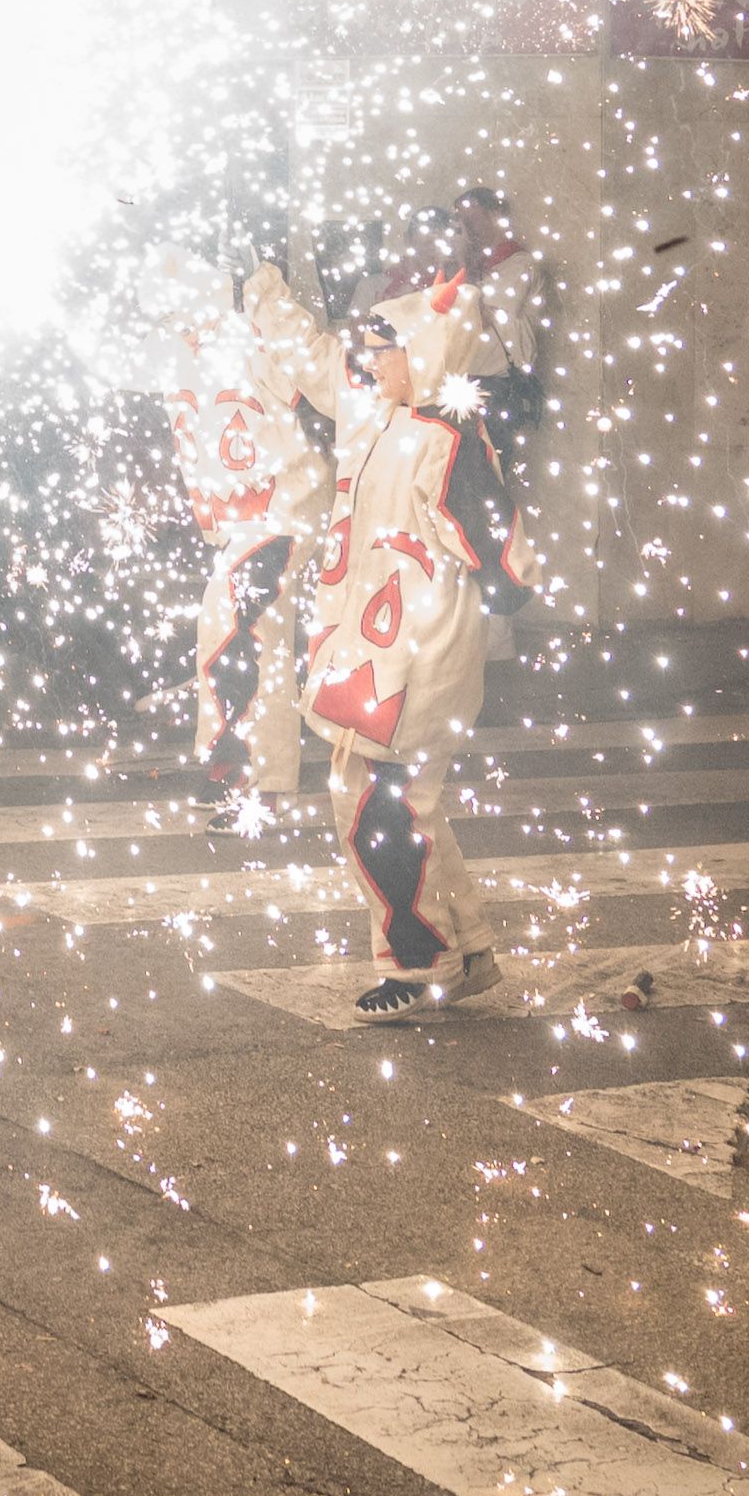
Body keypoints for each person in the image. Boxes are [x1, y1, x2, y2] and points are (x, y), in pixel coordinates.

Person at [298, 311, 534, 1021]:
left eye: (382, 350)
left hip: (416, 653)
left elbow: (506, 565)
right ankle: (462, 949)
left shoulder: (445, 438)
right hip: (369, 649)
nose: (368, 362)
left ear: (422, 354)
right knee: (400, 802)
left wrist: (446, 596)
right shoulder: (384, 422)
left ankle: (420, 962)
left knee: (382, 803)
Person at [166, 237, 339, 842]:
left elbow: (323, 383)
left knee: (239, 625)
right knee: (244, 631)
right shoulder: (170, 349)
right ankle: (236, 767)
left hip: (285, 509)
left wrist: (265, 292)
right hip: (242, 522)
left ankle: (255, 784)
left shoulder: (254, 334)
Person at [448, 188, 551, 494]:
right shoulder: (477, 266)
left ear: (496, 215)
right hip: (468, 379)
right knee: (464, 476)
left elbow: (477, 313)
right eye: (462, 223)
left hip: (499, 384)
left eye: (473, 220)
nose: (468, 230)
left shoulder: (519, 263)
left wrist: (461, 269)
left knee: (490, 477)